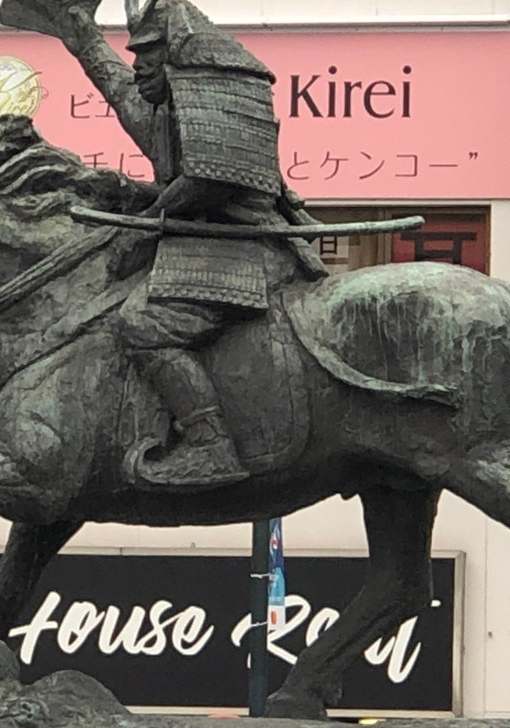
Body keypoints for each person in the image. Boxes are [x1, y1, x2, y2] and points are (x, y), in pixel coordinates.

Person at [55, 0, 327, 489]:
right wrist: (80, 35)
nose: (136, 67)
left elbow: (206, 183)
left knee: (141, 322)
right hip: (206, 244)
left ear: (179, 62)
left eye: (148, 57)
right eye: (135, 56)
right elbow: (121, 92)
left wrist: (146, 222)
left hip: (240, 250)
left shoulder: (220, 110)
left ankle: (211, 443)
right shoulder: (169, 115)